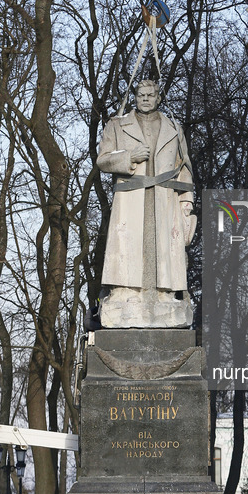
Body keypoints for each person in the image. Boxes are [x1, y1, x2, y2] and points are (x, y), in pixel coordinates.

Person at [97, 80, 196, 328]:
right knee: (128, 245)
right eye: (140, 95)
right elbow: (103, 160)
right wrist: (128, 157)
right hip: (132, 196)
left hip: (164, 197)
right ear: (135, 97)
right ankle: (127, 292)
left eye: (150, 95)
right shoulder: (117, 125)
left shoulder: (173, 127)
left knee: (165, 248)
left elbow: (184, 168)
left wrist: (187, 204)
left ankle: (165, 294)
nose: (145, 99)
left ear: (158, 97)